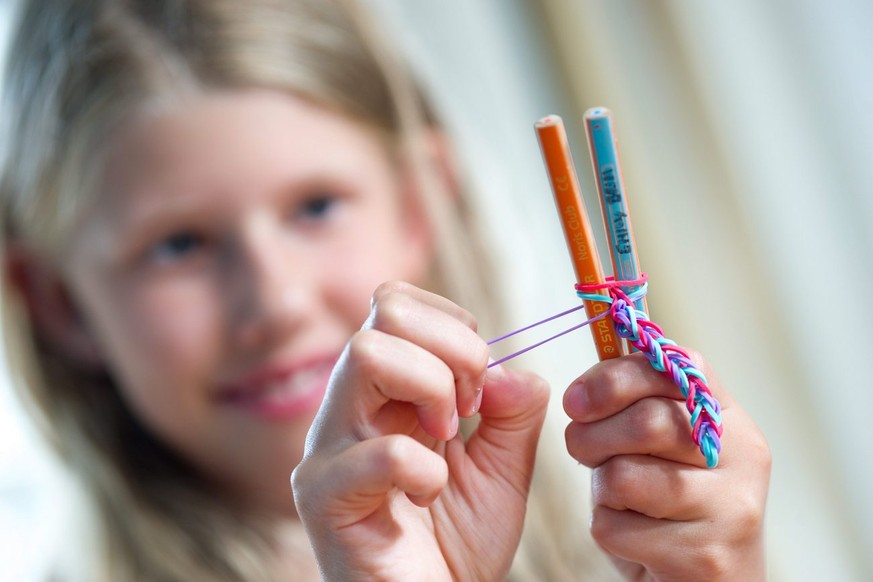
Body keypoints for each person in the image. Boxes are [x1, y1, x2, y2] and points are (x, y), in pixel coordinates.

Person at [0, 0, 770, 580]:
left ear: (418, 202)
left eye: (316, 207)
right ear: (59, 303)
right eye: (179, 245)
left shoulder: (609, 539)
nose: (277, 303)